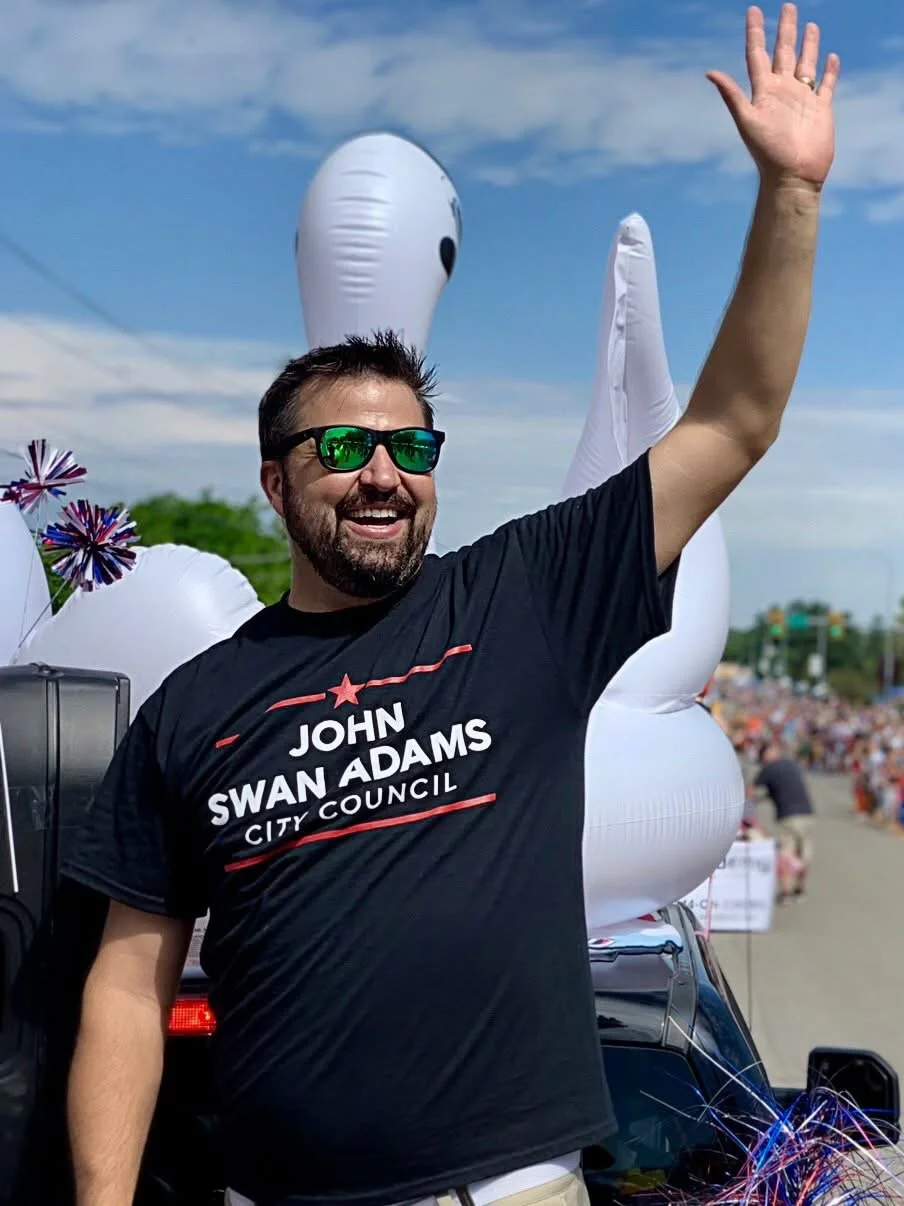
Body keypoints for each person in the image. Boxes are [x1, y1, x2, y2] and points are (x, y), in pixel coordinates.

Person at [63, 8, 839, 1206]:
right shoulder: (193, 709)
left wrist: (789, 193)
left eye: (410, 446)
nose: (381, 473)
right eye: (341, 448)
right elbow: (126, 988)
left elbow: (733, 422)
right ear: (275, 483)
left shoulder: (530, 598)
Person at [750, 741, 815, 901]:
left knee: (787, 853)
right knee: (804, 852)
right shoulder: (792, 765)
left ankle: (785, 891)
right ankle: (800, 889)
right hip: (807, 812)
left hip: (787, 815)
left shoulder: (768, 769)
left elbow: (751, 793)